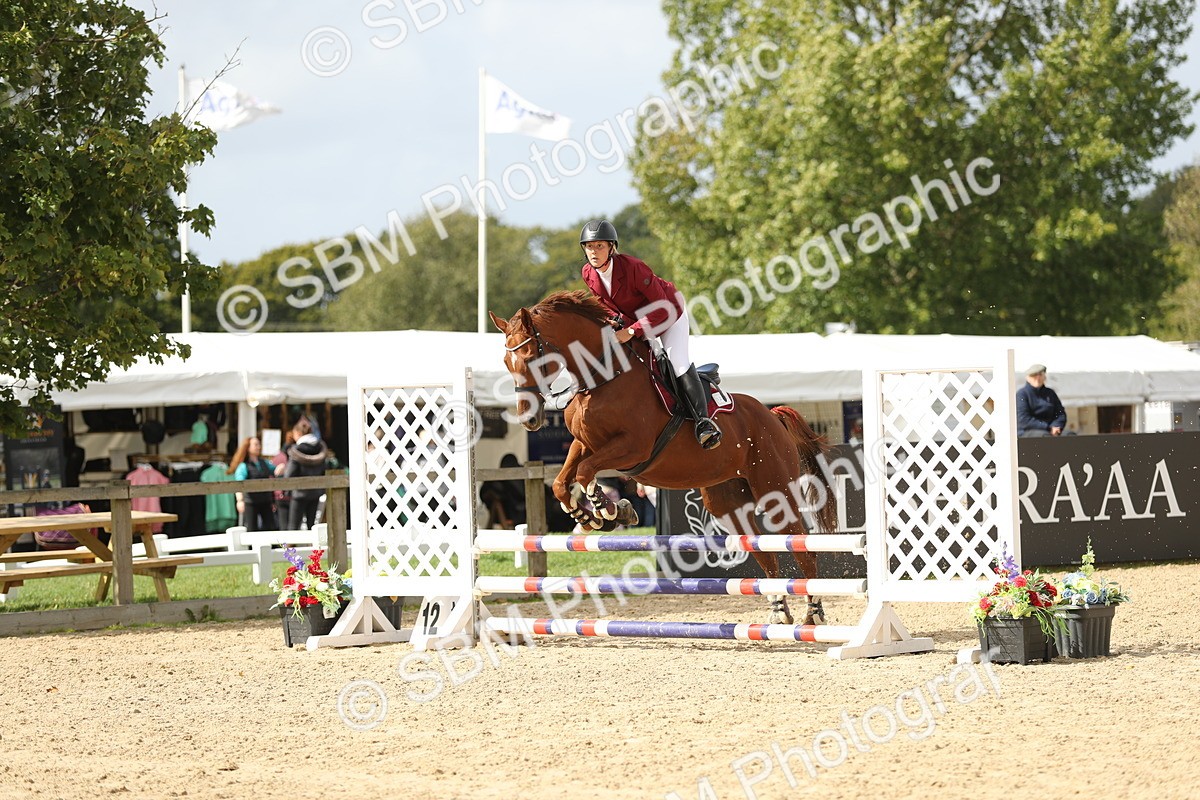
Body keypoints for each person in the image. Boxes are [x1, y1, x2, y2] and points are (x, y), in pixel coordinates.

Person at [578, 219, 722, 450]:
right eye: (589, 246)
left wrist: (631, 330)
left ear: (611, 247)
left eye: (599, 246)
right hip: (637, 320)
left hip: (669, 314)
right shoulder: (588, 273)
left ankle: (704, 423)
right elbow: (603, 303)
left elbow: (662, 307)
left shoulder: (633, 268)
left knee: (677, 364)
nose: (593, 252)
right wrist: (614, 321)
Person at [283, 416, 329, 530]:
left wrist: (286, 489)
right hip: (316, 492)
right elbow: (325, 469)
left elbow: (289, 473)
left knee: (293, 526)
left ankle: (292, 543)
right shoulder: (320, 448)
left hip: (299, 493)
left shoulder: (296, 450)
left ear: (298, 433)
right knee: (312, 526)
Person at [228, 436, 276, 531]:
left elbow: (275, 470)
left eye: (259, 444)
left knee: (270, 527)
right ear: (248, 447)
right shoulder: (244, 466)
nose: (258, 447)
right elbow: (238, 484)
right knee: (251, 528)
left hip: (266, 500)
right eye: (255, 445)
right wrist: (240, 500)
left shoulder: (264, 463)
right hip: (251, 501)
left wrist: (282, 468)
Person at [1016, 364, 1076, 437]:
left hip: (1051, 429)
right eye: (1034, 375)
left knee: (1070, 435)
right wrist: (1048, 427)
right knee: (1045, 437)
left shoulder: (1050, 393)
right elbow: (1023, 419)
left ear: (1044, 377)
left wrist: (1056, 425)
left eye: (1040, 375)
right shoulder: (1022, 394)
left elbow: (1060, 413)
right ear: (1028, 378)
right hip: (1028, 430)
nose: (1038, 378)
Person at [479, 453, 526, 529]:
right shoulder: (495, 480)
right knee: (497, 504)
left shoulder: (520, 478)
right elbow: (484, 494)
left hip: (519, 513)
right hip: (507, 513)